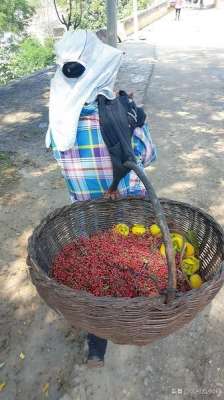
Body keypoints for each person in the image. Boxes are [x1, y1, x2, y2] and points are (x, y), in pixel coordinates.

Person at [46, 30, 157, 368]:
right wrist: (134, 119)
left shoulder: (58, 120)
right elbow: (147, 156)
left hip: (87, 218)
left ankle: (97, 344)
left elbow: (63, 161)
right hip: (130, 217)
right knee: (131, 272)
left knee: (99, 279)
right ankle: (135, 321)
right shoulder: (120, 111)